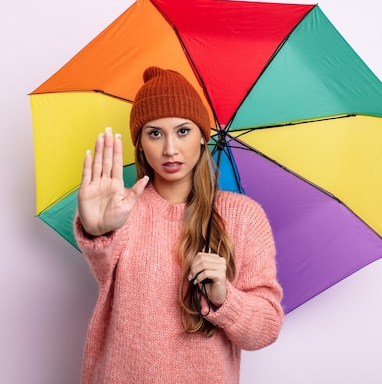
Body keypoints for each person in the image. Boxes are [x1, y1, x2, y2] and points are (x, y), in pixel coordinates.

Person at [74, 66, 284, 384]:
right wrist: (98, 229)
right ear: (140, 143)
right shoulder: (124, 211)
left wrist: (224, 296)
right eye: (155, 133)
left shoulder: (242, 217)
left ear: (203, 136)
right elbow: (104, 265)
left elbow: (265, 330)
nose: (170, 148)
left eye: (183, 131)